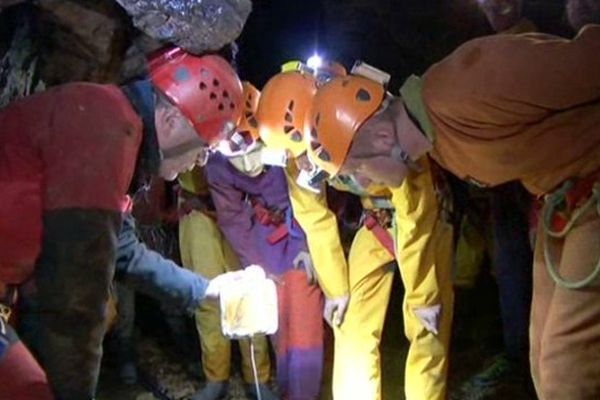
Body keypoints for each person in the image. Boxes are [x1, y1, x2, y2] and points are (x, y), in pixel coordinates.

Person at [303, 5, 600, 397]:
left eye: (355, 169)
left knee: (567, 369)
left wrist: (587, 19)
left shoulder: (460, 92)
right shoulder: (437, 141)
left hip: (590, 187)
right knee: (544, 359)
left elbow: (586, 66)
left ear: (380, 140)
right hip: (563, 200)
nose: (361, 181)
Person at [0, 46, 246, 399]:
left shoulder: (116, 128)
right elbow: (75, 294)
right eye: (202, 148)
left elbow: (124, 250)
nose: (199, 162)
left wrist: (205, 290)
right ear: (173, 121)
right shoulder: (104, 127)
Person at [256, 65, 454, 400]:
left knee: (427, 325)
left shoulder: (357, 119)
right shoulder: (293, 150)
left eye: (307, 152)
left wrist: (423, 295)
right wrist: (336, 290)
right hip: (376, 219)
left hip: (426, 218)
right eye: (295, 157)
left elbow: (415, 211)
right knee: (349, 323)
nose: (305, 164)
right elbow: (313, 216)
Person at [205, 100, 324, 400]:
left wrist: (306, 245)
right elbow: (232, 217)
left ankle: (303, 395)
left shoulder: (284, 136)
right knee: (279, 325)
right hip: (264, 238)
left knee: (305, 321)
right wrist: (255, 265)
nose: (248, 165)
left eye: (252, 152)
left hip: (301, 233)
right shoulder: (217, 161)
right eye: (237, 157)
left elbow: (312, 197)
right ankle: (288, 393)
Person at [178, 83, 274, 400]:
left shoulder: (237, 101)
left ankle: (256, 377)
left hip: (239, 212)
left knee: (250, 292)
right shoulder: (183, 104)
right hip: (198, 213)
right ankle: (215, 378)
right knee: (206, 298)